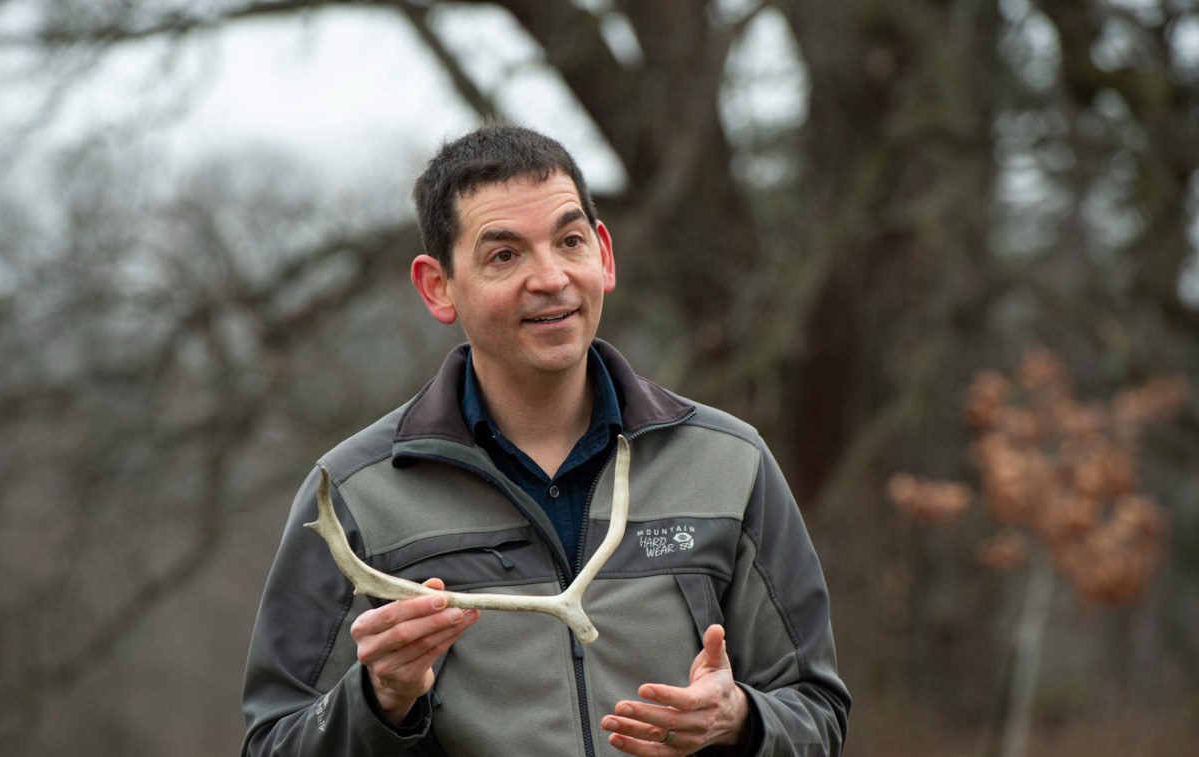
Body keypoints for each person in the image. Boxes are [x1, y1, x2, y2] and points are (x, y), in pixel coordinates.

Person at [240, 124, 850, 756]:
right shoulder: (355, 497)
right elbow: (272, 744)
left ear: (604, 256)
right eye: (505, 255)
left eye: (570, 241)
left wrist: (741, 721)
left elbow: (818, 712)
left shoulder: (730, 462)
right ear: (438, 287)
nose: (552, 277)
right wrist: (379, 701)